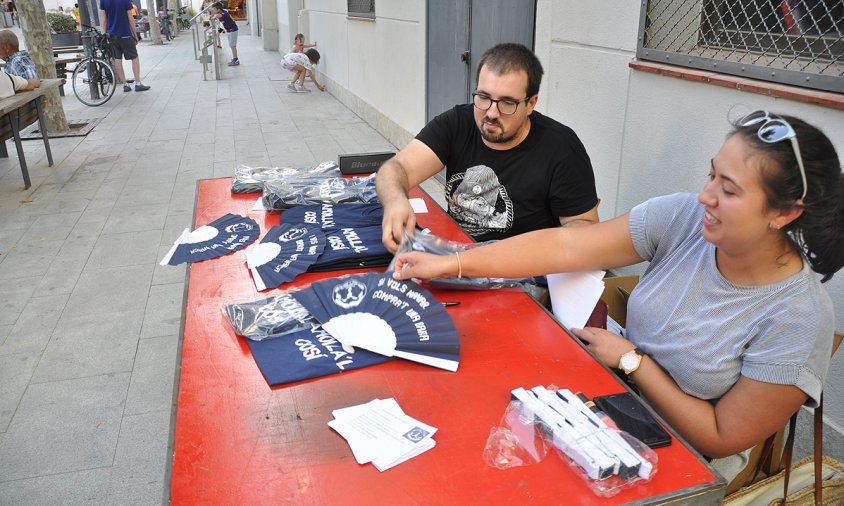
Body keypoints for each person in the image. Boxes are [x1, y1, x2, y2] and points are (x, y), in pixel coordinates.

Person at [392, 110, 843, 476]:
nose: (705, 196)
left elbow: (721, 436)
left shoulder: (798, 318)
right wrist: (452, 262)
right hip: (605, 389)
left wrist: (633, 361)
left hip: (674, 455)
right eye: (711, 176)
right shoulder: (685, 217)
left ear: (784, 213)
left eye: (727, 189)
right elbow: (567, 245)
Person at [375, 43, 599, 253]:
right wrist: (395, 201)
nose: (491, 112)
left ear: (531, 103)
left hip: (521, 271)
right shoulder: (457, 123)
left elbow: (583, 228)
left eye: (507, 103)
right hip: (455, 256)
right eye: (483, 97)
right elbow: (396, 168)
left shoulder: (561, 148)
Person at [100, 0, 150, 92]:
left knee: (117, 60)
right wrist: (135, 34)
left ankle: (125, 85)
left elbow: (104, 20)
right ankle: (138, 83)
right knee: (134, 58)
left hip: (112, 36)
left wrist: (104, 33)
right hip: (125, 34)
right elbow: (130, 19)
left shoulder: (103, 1)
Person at [211, 1, 239, 66]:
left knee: (232, 45)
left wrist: (214, 17)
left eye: (214, 9)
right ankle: (235, 59)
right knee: (232, 45)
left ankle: (236, 60)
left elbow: (217, 16)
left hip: (233, 30)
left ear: (218, 9)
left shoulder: (224, 13)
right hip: (230, 31)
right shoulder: (222, 12)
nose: (213, 10)